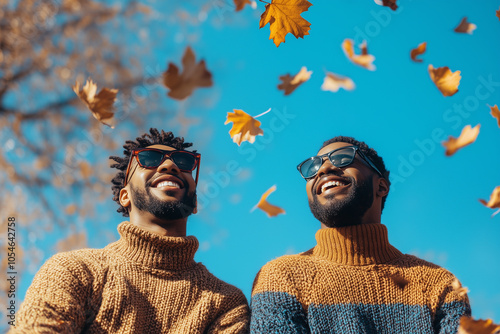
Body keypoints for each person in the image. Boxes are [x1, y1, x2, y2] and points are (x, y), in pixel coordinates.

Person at [11, 128, 250, 333]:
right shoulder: (77, 270)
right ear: (124, 196)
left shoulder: (226, 303)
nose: (169, 165)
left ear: (195, 202)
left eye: (184, 162)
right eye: (149, 158)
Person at [250, 136, 470, 333]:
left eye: (343, 158)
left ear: (381, 187)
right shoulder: (282, 277)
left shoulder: (440, 285)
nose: (323, 170)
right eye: (313, 167)